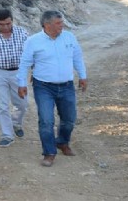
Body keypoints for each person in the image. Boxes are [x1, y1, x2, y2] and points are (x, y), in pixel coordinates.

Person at [16, 10, 88, 167]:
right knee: (46, 120)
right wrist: (21, 84)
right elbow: (24, 64)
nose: (62, 25)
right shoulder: (33, 41)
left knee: (69, 119)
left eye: (62, 22)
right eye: (58, 23)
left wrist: (83, 76)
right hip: (43, 87)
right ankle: (49, 152)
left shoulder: (69, 37)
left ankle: (62, 142)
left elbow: (77, 58)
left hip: (67, 85)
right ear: (47, 25)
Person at [0, 8, 29, 148]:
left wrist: (33, 71)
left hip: (18, 72)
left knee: (22, 103)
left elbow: (30, 53)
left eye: (8, 23)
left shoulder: (23, 33)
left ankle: (16, 123)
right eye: (1, 24)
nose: (5, 27)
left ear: (12, 20)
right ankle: (7, 134)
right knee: (1, 105)